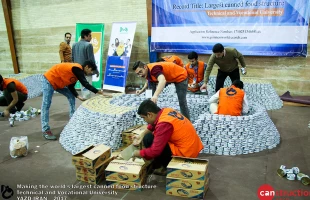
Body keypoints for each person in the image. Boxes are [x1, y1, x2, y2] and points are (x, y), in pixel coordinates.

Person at [41, 60, 111, 140]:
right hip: (49, 80)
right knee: (46, 104)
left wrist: (77, 96)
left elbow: (70, 86)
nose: (90, 73)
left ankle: (72, 119)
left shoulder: (75, 73)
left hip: (58, 83)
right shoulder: (77, 68)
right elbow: (85, 84)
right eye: (90, 70)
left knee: (71, 95)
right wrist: (100, 92)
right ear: (87, 67)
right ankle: (45, 130)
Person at [131, 100, 204, 174]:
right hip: (192, 147)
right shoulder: (166, 111)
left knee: (149, 139)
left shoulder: (164, 124)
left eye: (144, 118)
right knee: (148, 137)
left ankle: (166, 167)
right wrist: (141, 135)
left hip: (186, 154)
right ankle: (160, 163)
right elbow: (153, 124)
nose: (145, 120)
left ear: (150, 114)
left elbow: (155, 151)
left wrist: (138, 153)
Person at [72, 29, 99, 98]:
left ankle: (84, 104)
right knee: (87, 90)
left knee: (82, 89)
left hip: (76, 71)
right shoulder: (88, 45)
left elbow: (72, 58)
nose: (91, 37)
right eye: (90, 36)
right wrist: (95, 70)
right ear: (85, 36)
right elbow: (91, 60)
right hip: (86, 71)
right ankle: (87, 106)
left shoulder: (74, 45)